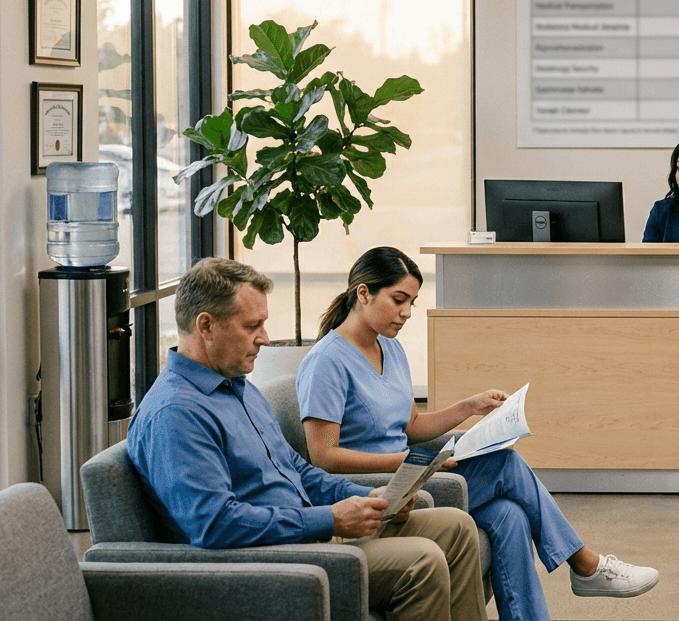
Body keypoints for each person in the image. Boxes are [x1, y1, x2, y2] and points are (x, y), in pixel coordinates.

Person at [296, 246, 659, 621]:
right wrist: (407, 462)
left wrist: (468, 407)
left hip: (411, 473)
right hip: (380, 486)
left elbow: (412, 427)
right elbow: (324, 455)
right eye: (398, 300)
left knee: (510, 515)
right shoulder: (326, 362)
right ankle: (584, 563)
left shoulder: (391, 347)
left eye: (412, 303)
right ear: (363, 293)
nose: (406, 313)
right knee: (503, 463)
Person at [127, 257, 486, 621]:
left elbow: (297, 469)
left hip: (309, 534)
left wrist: (365, 498)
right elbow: (215, 524)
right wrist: (327, 520)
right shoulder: (176, 413)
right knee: (422, 561)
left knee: (456, 527)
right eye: (253, 325)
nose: (265, 338)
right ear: (206, 326)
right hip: (273, 558)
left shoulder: (238, 388)